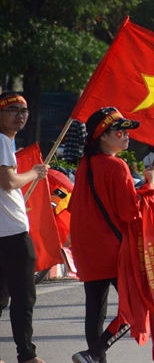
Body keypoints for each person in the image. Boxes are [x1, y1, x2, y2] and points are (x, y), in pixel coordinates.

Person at [68, 107, 154, 363]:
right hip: (114, 251)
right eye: (120, 131)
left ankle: (94, 358)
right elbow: (131, 212)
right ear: (103, 137)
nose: (126, 134)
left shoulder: (86, 164)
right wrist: (151, 185)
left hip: (87, 250)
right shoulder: (116, 166)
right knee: (138, 307)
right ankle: (94, 353)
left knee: (95, 311)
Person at [0, 93, 48, 363]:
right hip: (12, 233)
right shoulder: (1, 141)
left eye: (24, 111)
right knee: (23, 298)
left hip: (5, 230)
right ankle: (27, 356)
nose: (19, 115)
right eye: (12, 110)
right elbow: (8, 182)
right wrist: (35, 173)